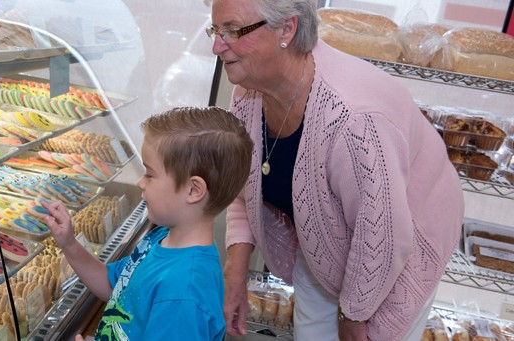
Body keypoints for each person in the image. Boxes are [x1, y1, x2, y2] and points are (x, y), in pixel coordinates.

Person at [206, 0, 465, 340]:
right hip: (324, 239)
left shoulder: (354, 119)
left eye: (232, 31)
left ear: (287, 29)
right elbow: (245, 186)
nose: (216, 45)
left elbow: (383, 238)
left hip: (401, 244)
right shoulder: (247, 95)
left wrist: (352, 317)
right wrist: (235, 273)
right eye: (215, 30)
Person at [42, 106, 254, 340]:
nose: (140, 182)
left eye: (150, 174)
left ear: (194, 190)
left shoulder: (183, 295)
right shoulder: (159, 238)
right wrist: (69, 243)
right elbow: (114, 287)